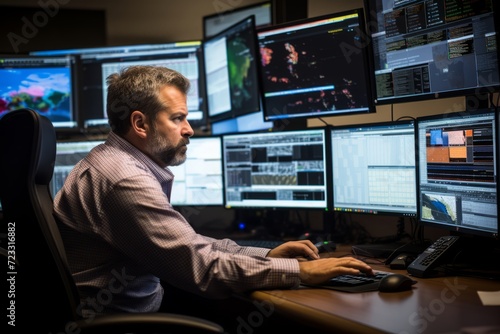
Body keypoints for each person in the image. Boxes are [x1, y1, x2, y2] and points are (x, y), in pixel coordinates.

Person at [53, 65, 373, 323]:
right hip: (123, 326)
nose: (189, 129)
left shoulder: (112, 160)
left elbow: (190, 244)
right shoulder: (123, 180)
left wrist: (265, 255)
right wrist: (300, 271)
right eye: (178, 118)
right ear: (140, 123)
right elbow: (201, 268)